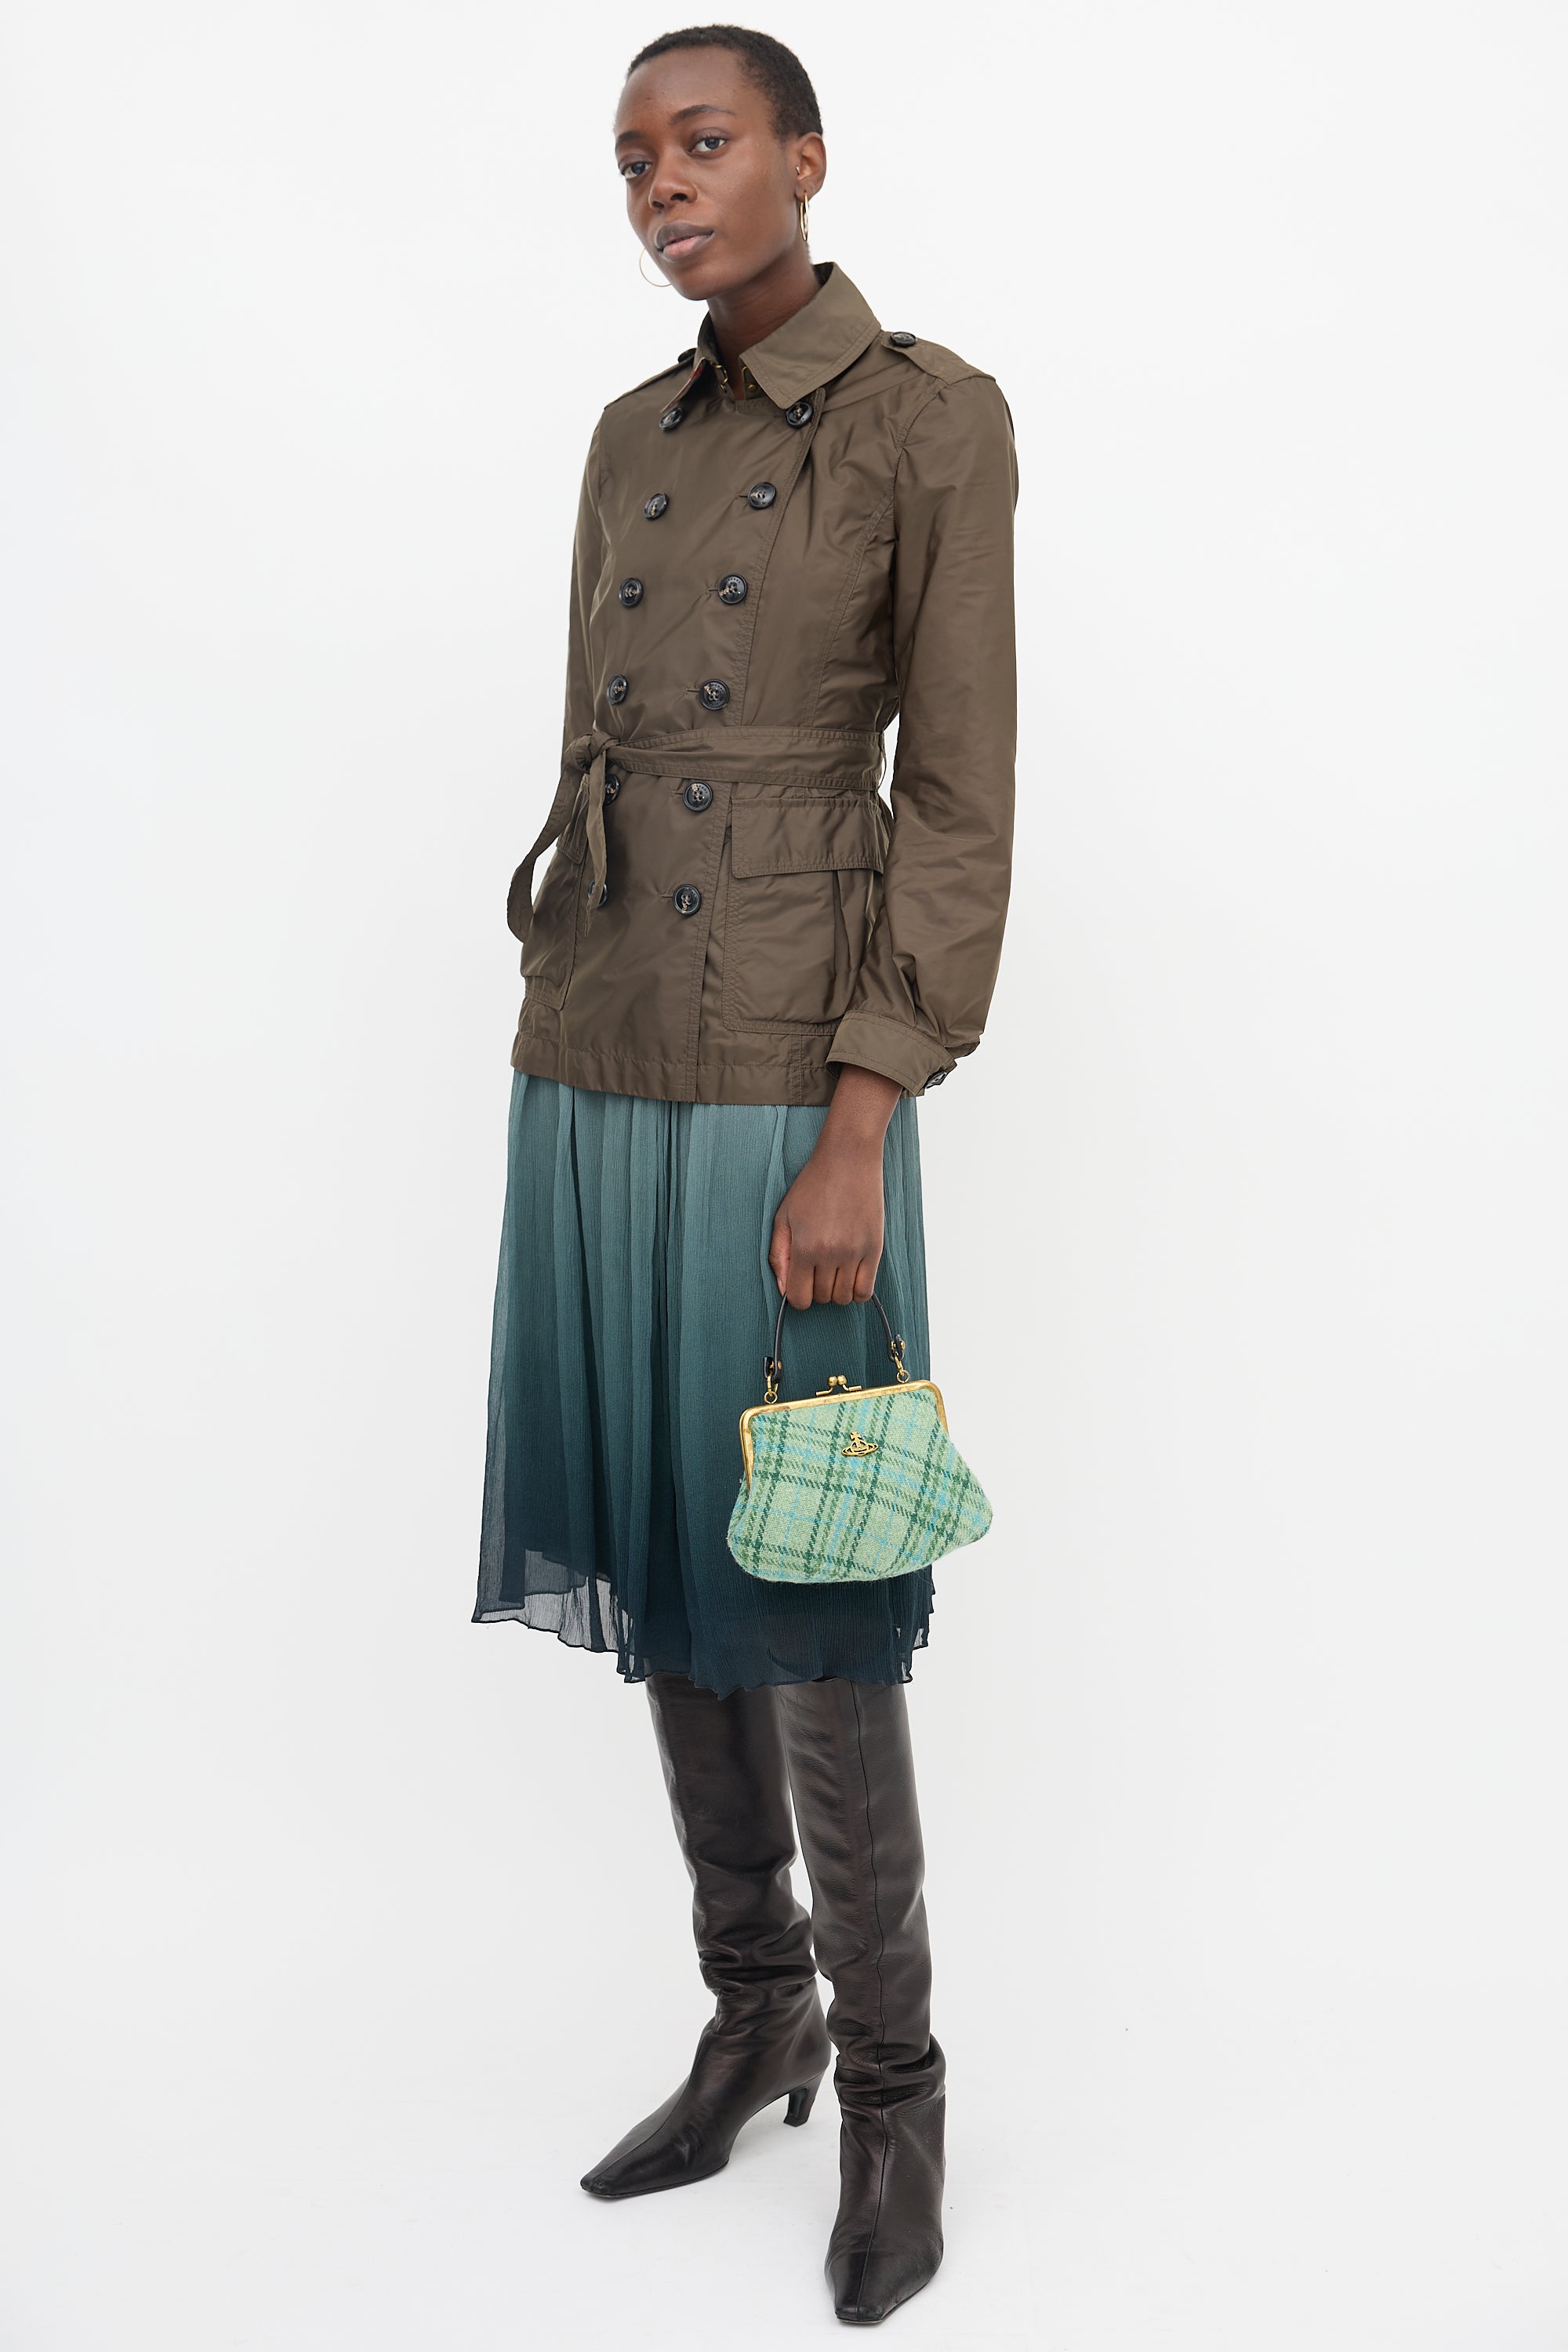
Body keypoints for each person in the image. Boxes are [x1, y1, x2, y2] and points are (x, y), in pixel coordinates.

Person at [474, 24, 1016, 2327]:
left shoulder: (926, 419)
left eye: (701, 145)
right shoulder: (633, 433)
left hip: (794, 1061)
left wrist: (865, 1113)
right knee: (663, 1541)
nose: (664, 188)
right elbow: (594, 746)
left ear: (804, 156)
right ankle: (754, 2007)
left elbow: (959, 798)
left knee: (807, 1562)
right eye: (633, 160)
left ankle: (895, 2089)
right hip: (599, 1043)